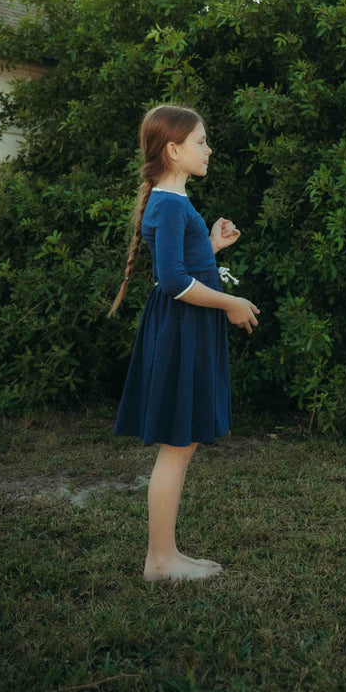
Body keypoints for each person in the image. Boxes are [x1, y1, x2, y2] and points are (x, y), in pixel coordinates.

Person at [109, 104, 260, 582]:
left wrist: (210, 246)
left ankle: (166, 553)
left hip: (182, 326)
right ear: (174, 150)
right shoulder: (171, 203)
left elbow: (182, 264)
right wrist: (230, 301)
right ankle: (160, 561)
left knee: (183, 442)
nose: (208, 149)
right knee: (177, 444)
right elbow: (173, 280)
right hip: (182, 327)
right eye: (200, 142)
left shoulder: (172, 200)